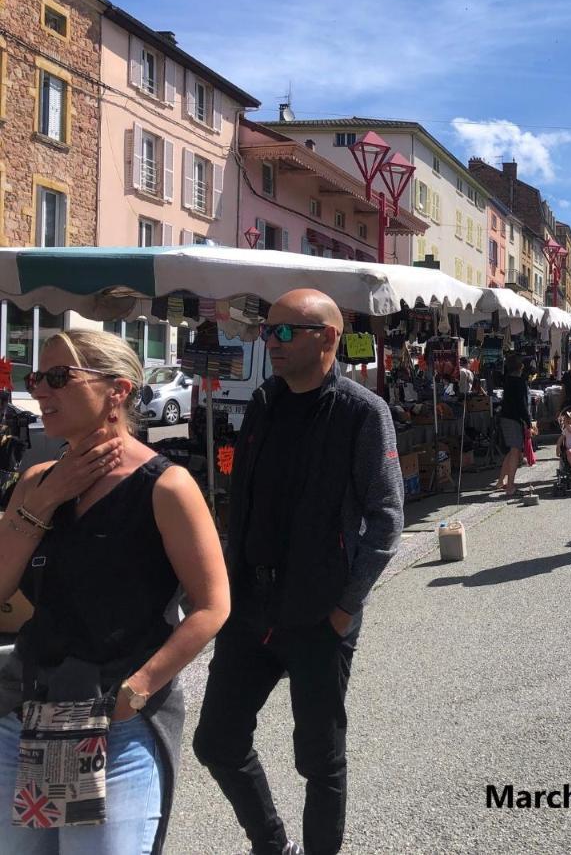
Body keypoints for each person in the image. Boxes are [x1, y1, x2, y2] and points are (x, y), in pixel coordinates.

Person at [0, 329, 229, 855]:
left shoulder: (165, 486)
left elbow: (213, 604)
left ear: (117, 391)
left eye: (59, 377)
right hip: (28, 716)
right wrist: (46, 500)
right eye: (38, 378)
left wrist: (140, 688)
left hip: (112, 726)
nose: (41, 391)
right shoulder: (37, 480)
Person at [193, 290, 404, 855]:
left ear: (329, 338)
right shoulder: (264, 400)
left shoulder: (362, 412)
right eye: (268, 331)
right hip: (251, 608)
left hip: (318, 614)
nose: (272, 343)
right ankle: (271, 843)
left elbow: (387, 520)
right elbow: (246, 496)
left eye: (287, 332)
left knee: (320, 761)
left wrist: (344, 609)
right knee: (217, 741)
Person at [495, 353, 532, 498]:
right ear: (521, 366)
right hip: (514, 419)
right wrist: (528, 421)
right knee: (515, 451)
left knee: (511, 451)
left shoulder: (508, 380)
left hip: (506, 416)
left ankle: (500, 482)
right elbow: (522, 405)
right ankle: (510, 486)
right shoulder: (519, 381)